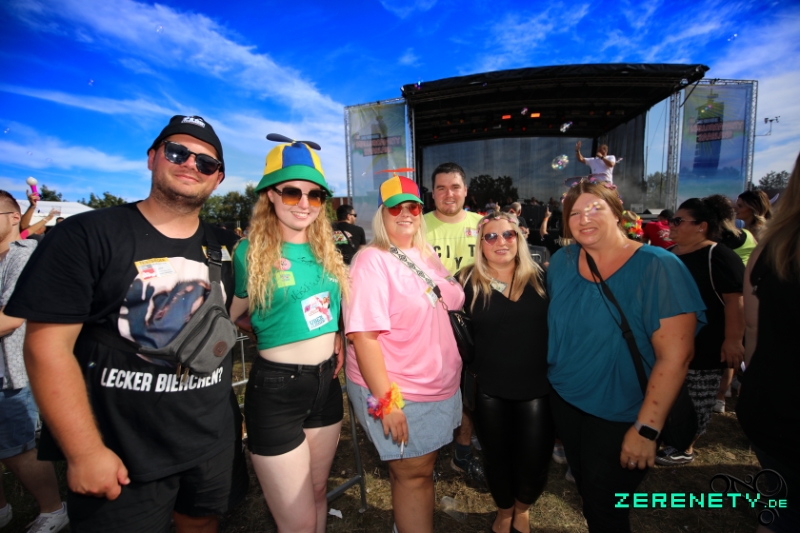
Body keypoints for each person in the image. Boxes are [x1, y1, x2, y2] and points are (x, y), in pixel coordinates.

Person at [4, 115, 248, 532]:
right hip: (121, 447)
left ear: (218, 178)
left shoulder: (227, 245)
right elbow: (46, 348)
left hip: (210, 439)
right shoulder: (87, 234)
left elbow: (234, 315)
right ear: (152, 157)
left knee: (201, 524)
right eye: (178, 152)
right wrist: (84, 452)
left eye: (206, 163)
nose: (192, 165)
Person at [548, 180, 704, 532]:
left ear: (618, 214)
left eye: (594, 209)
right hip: (567, 403)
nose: (583, 219)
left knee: (606, 506)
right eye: (574, 213)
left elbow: (676, 356)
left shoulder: (658, 266)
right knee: (588, 492)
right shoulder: (562, 261)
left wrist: (646, 429)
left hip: (624, 412)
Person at [229, 138, 348, 533]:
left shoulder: (326, 248)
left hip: (326, 384)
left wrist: (336, 333)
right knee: (296, 522)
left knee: (317, 492)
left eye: (315, 195)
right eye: (293, 192)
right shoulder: (249, 252)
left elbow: (329, 307)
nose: (304, 203)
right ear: (270, 195)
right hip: (277, 390)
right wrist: (270, 330)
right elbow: (232, 314)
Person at [345, 175, 463, 533]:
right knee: (413, 474)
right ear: (382, 214)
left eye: (412, 206)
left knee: (417, 472)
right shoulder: (371, 260)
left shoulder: (424, 253)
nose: (406, 213)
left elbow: (452, 298)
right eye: (395, 208)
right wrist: (387, 403)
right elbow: (363, 337)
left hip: (436, 382)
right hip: (401, 389)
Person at [458, 212, 553, 533]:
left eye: (508, 234)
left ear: (519, 239)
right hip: (489, 389)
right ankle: (504, 510)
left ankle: (522, 509)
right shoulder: (465, 281)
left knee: (535, 458)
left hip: (537, 388)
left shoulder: (543, 277)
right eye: (491, 236)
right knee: (496, 457)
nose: (501, 241)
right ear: (480, 243)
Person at [655, 196, 745, 466]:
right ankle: (668, 436)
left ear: (701, 226)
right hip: (668, 344)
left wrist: (733, 340)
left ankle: (685, 446)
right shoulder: (668, 254)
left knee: (697, 398)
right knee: (668, 393)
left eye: (678, 221)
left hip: (705, 345)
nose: (671, 225)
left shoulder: (718, 256)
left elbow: (735, 301)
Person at [738, 152, 800, 533]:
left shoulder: (771, 244)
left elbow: (752, 327)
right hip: (777, 407)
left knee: (783, 508)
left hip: (770, 405)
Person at [0, 191, 68, 533]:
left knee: (18, 447)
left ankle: (53, 510)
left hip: (11, 372)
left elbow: (11, 317)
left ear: (14, 218)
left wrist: (35, 207)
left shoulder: (25, 255)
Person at [423, 162, 485, 485]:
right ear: (433, 193)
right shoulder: (417, 225)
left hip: (475, 321)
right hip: (428, 323)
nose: (449, 194)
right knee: (429, 391)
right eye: (441, 188)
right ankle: (426, 455)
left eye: (455, 187)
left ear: (465, 191)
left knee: (468, 391)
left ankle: (462, 453)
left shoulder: (483, 225)